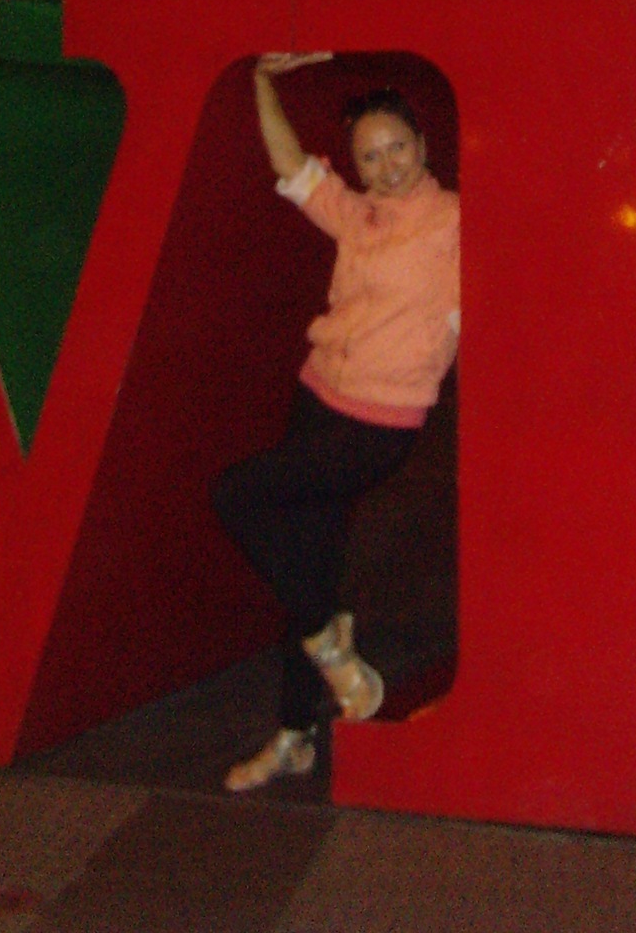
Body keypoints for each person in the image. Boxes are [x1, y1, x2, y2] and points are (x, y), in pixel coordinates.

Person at [211, 51, 461, 791]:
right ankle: (296, 734)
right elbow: (290, 165)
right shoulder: (358, 215)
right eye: (369, 156)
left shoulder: (457, 223)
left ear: (423, 145)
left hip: (381, 422)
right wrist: (261, 81)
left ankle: (332, 644)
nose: (387, 166)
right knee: (309, 566)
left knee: (237, 493)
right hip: (318, 396)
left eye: (398, 148)